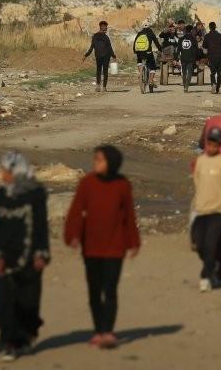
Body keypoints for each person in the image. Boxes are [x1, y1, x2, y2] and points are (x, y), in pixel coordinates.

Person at [64, 145, 141, 350]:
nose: (95, 163)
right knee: (94, 291)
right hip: (91, 246)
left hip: (115, 247)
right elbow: (76, 210)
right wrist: (72, 235)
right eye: (95, 159)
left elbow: (129, 216)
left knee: (110, 290)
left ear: (111, 163)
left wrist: (134, 242)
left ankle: (107, 332)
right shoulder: (87, 183)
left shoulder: (122, 185)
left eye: (99, 160)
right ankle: (98, 330)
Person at [0, 151, 49, 361]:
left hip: (31, 256)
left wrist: (42, 254)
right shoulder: (0, 195)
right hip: (4, 257)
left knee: (28, 302)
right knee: (4, 303)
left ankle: (25, 336)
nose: (3, 175)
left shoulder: (36, 194)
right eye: (3, 171)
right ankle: (9, 343)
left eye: (6, 171)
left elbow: (41, 225)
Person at [192, 127, 221, 291]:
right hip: (201, 209)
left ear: (220, 144)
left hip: (218, 210)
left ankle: (205, 277)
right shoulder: (201, 161)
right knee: (198, 244)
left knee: (211, 245)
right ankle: (213, 265)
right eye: (209, 143)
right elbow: (197, 181)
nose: (211, 147)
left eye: (215, 144)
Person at [83, 20, 116, 92]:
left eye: (106, 26)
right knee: (103, 71)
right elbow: (109, 48)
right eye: (105, 27)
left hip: (101, 56)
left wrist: (86, 55)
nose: (106, 28)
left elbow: (92, 47)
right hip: (103, 56)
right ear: (101, 27)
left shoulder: (96, 36)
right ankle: (102, 87)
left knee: (100, 71)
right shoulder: (102, 37)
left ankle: (101, 87)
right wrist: (86, 55)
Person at [132, 21, 161, 90]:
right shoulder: (151, 33)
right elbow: (156, 42)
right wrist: (160, 49)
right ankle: (151, 80)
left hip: (139, 52)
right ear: (149, 27)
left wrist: (135, 51)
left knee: (139, 61)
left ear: (142, 27)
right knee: (153, 66)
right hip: (148, 52)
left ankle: (140, 72)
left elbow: (135, 43)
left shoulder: (139, 33)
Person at [203, 21, 221, 93]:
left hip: (211, 56)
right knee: (219, 73)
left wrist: (205, 55)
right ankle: (218, 88)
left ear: (210, 28)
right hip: (220, 56)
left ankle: (213, 83)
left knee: (213, 73)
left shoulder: (207, 36)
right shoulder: (220, 36)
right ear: (215, 27)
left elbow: (204, 47)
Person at [178, 26, 201, 93]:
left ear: (185, 31)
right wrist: (197, 59)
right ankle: (186, 87)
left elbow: (178, 49)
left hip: (183, 58)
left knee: (184, 73)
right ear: (191, 31)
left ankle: (184, 85)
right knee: (190, 73)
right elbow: (196, 50)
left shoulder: (181, 39)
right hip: (191, 59)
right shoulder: (193, 39)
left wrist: (176, 58)